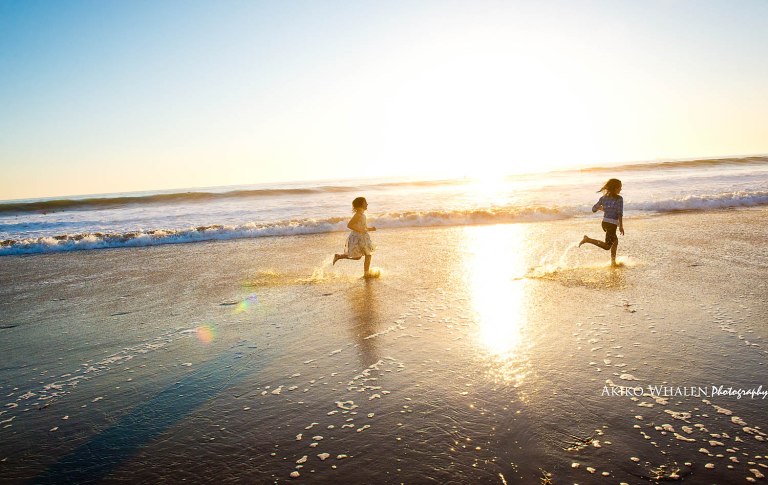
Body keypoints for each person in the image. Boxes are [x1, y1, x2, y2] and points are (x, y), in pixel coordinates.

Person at [579, 178, 625, 266]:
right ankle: (587, 239)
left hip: (604, 223)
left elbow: (593, 209)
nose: (621, 189)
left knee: (615, 241)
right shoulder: (619, 199)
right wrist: (621, 226)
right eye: (620, 187)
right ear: (615, 188)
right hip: (611, 224)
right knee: (607, 246)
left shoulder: (603, 198)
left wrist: (603, 209)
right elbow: (619, 213)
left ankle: (613, 262)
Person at [333, 197, 376, 276]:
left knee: (361, 256)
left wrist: (370, 229)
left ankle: (339, 256)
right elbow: (349, 225)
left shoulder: (363, 215)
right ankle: (366, 273)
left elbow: (364, 227)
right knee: (365, 255)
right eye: (365, 202)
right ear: (360, 204)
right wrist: (360, 230)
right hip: (357, 238)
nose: (367, 204)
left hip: (363, 237)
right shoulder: (358, 215)